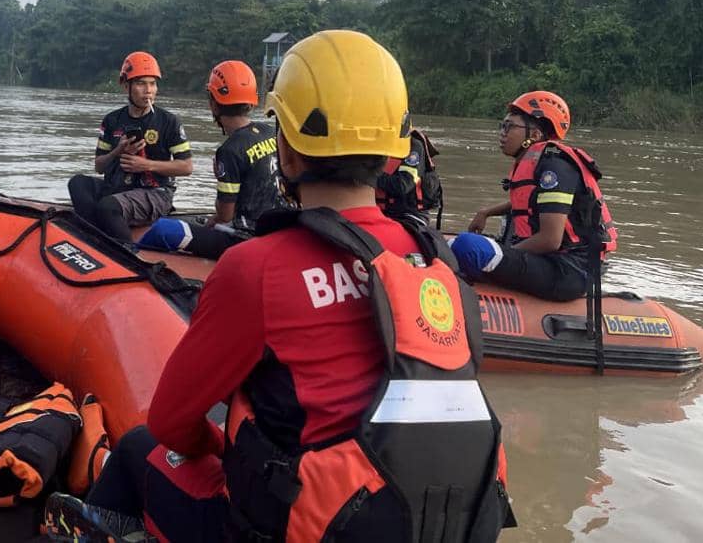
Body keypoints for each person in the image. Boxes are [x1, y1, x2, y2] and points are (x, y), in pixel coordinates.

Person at [45, 30, 513, 543]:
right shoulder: (436, 260)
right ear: (393, 153)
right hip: (437, 520)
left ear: (287, 154)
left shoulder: (257, 266)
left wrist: (229, 447)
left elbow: (173, 423)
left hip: (299, 525)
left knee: (138, 447)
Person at [452, 91, 617, 302]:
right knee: (452, 244)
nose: (502, 133)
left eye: (509, 126)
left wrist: (506, 253)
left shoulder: (555, 167)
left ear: (535, 135)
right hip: (551, 261)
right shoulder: (540, 161)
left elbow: (550, 239)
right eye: (502, 126)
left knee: (468, 246)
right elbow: (531, 203)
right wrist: (487, 212)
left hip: (567, 270)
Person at [136, 60, 286, 259]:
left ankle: (132, 257)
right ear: (251, 101)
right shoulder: (271, 133)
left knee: (164, 230)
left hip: (244, 240)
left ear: (214, 104)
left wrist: (212, 219)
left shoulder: (230, 150)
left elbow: (225, 216)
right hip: (279, 233)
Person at [68, 51, 192, 243]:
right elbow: (99, 166)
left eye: (152, 84)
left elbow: (186, 167)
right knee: (77, 183)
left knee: (108, 207)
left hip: (155, 192)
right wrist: (118, 151)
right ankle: (94, 236)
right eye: (141, 83)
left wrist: (145, 165)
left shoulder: (169, 121)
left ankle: (127, 252)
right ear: (126, 86)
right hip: (118, 187)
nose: (148, 90)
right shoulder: (112, 120)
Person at [376, 126, 443, 227]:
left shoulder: (413, 146)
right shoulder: (370, 144)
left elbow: (402, 185)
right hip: (379, 212)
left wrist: (365, 174)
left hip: (410, 215)